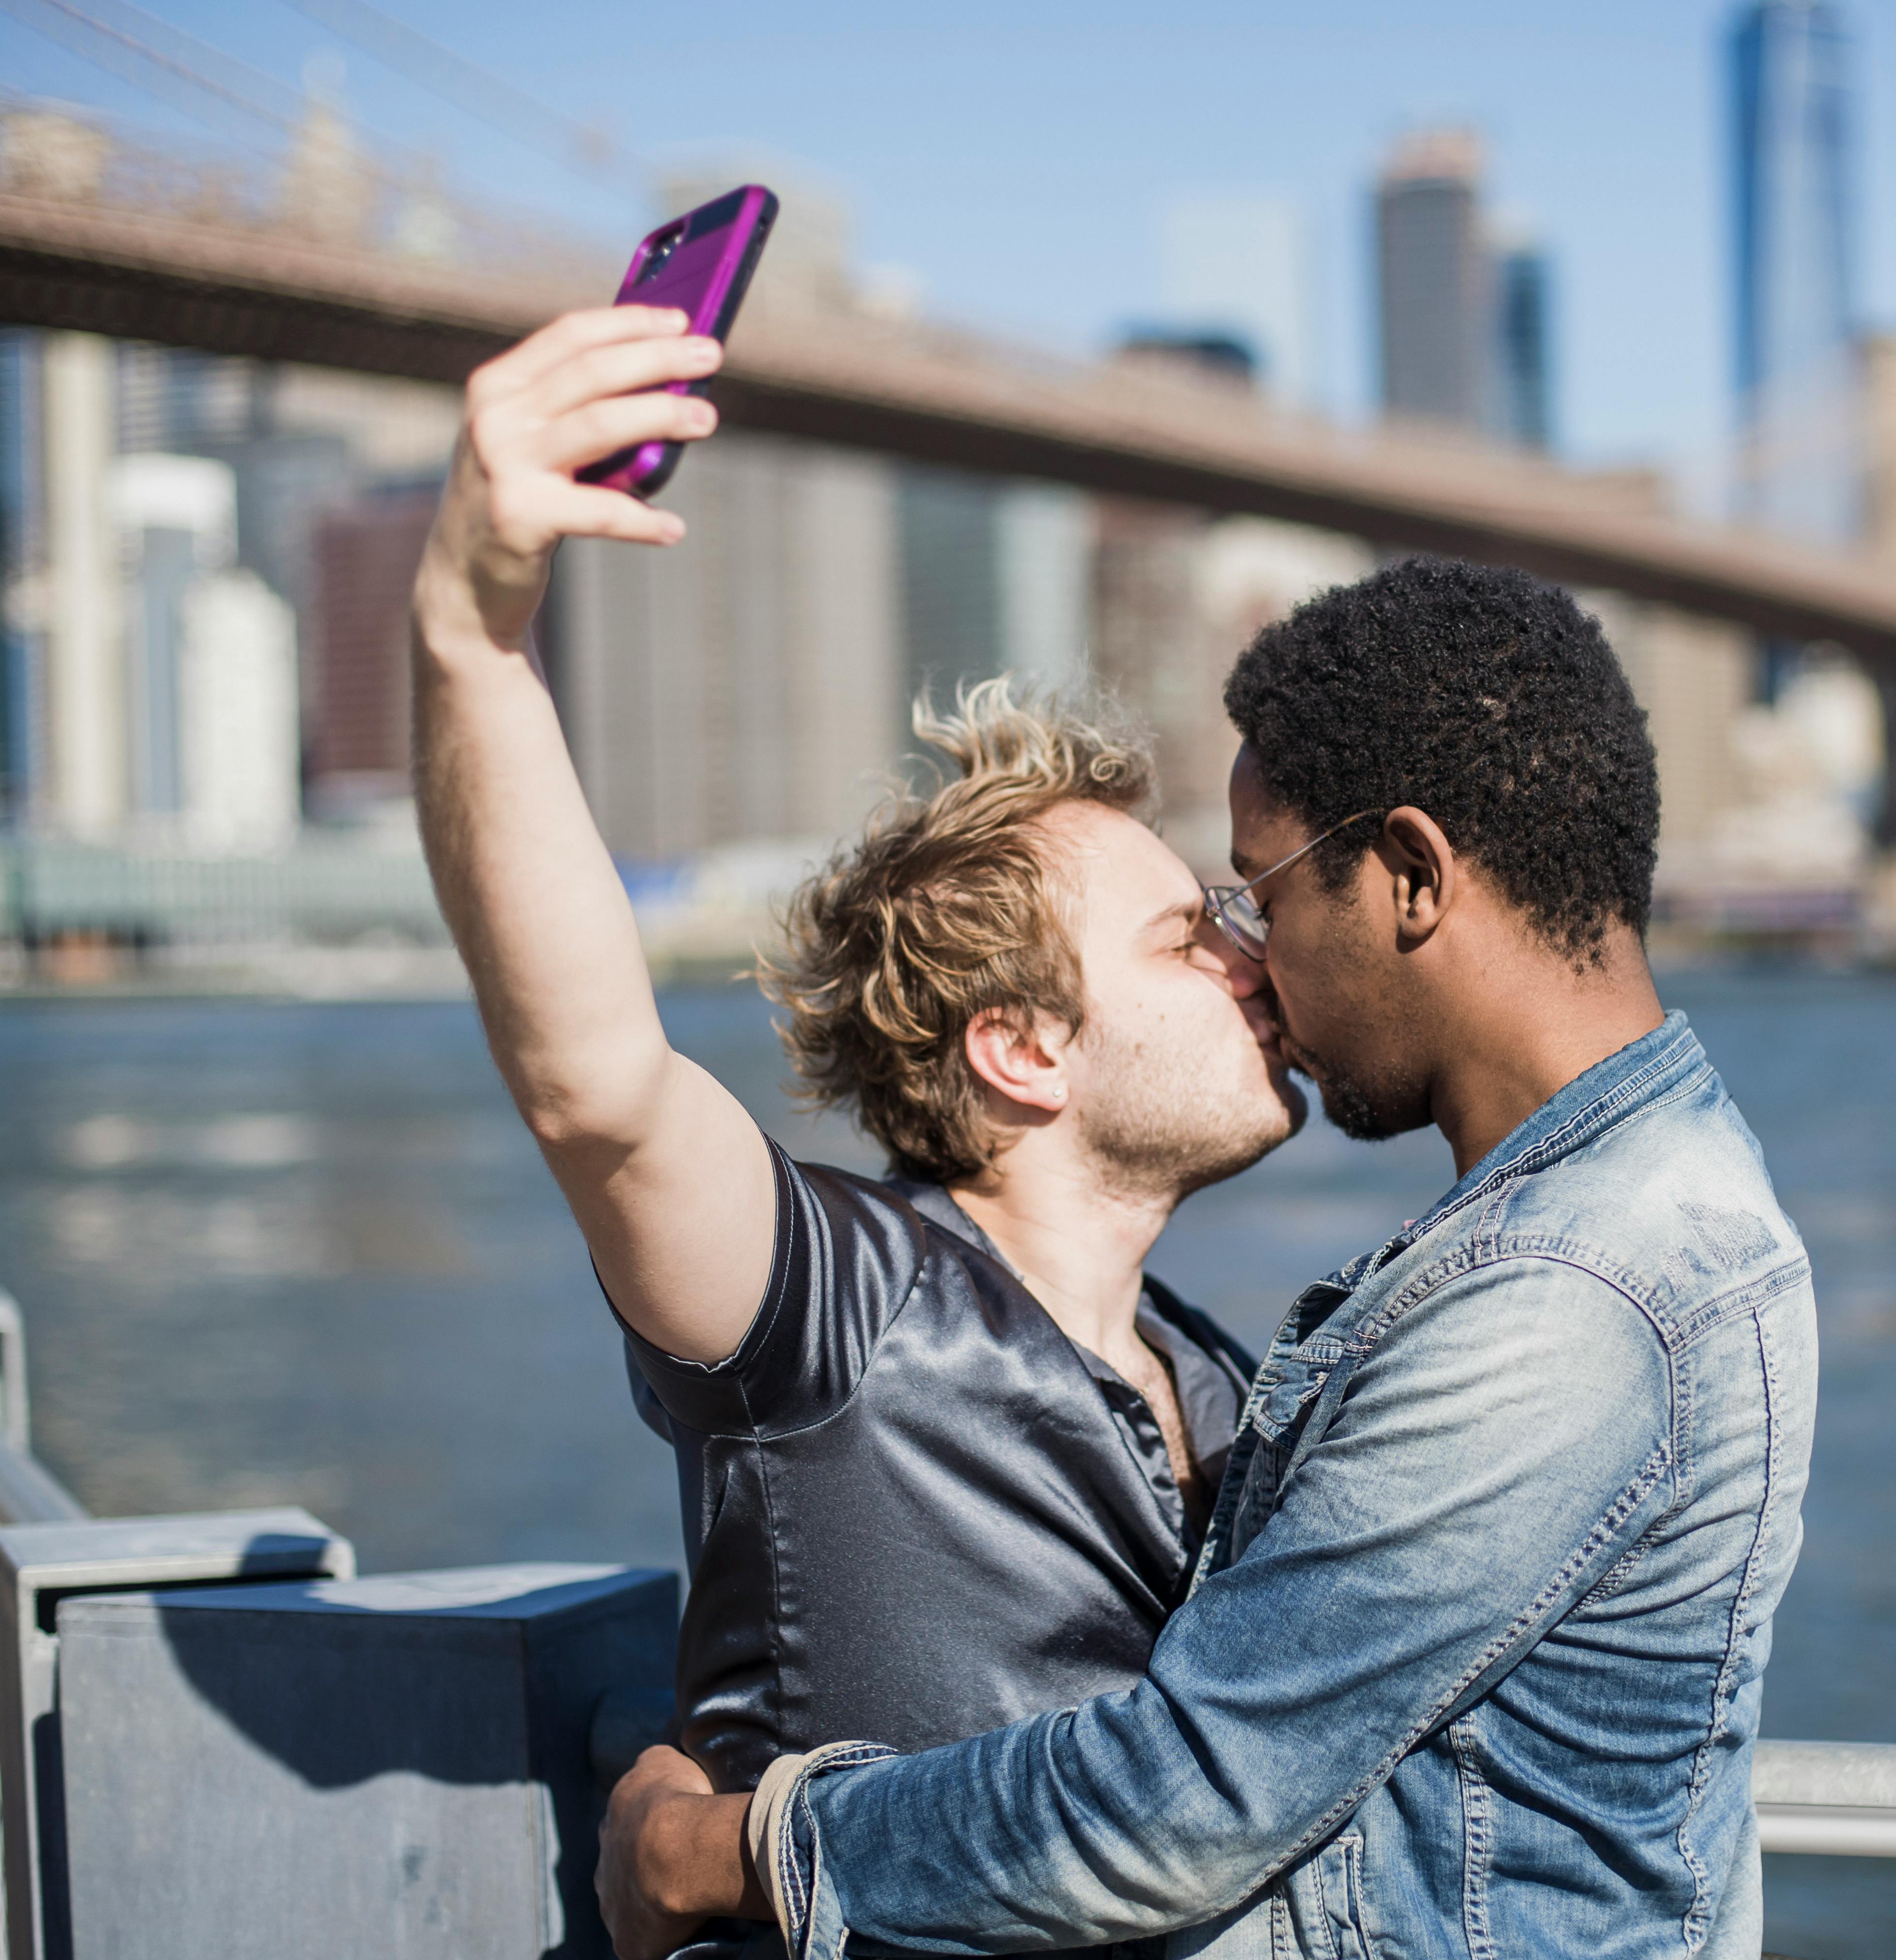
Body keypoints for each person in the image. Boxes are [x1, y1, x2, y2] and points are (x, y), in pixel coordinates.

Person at [603, 557, 1820, 1960]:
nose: (1254, 956)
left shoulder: (1571, 1295)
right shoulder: (1654, 1199)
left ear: (1411, 879)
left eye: (1261, 892)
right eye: (1208, 925)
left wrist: (727, 1846)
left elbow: (1191, 1800)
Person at [408, 304, 1305, 1956]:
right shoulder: (834, 1301)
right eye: (1190, 936)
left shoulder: (1228, 1381)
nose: (1256, 961)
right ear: (1023, 1048)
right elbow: (596, 1086)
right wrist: (472, 635)